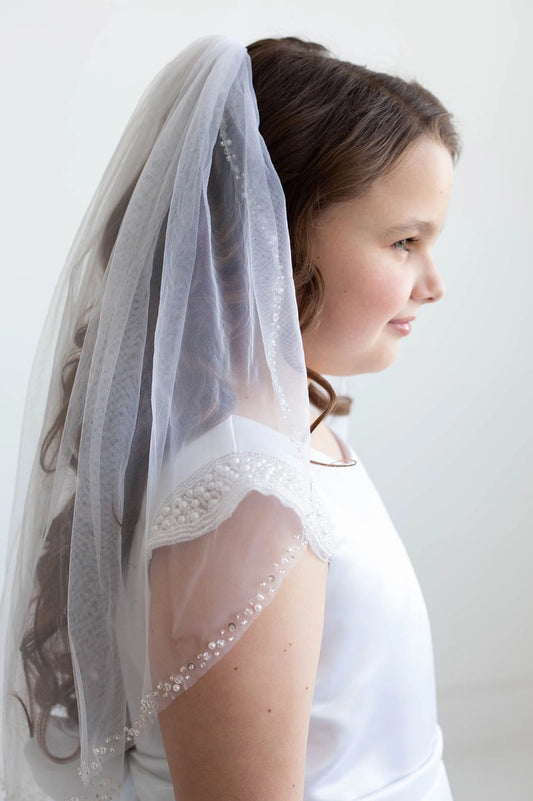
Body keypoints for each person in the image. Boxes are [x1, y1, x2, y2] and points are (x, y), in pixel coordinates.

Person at [0, 34, 460, 801]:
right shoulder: (246, 493)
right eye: (403, 241)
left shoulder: (286, 432)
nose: (433, 283)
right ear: (270, 234)